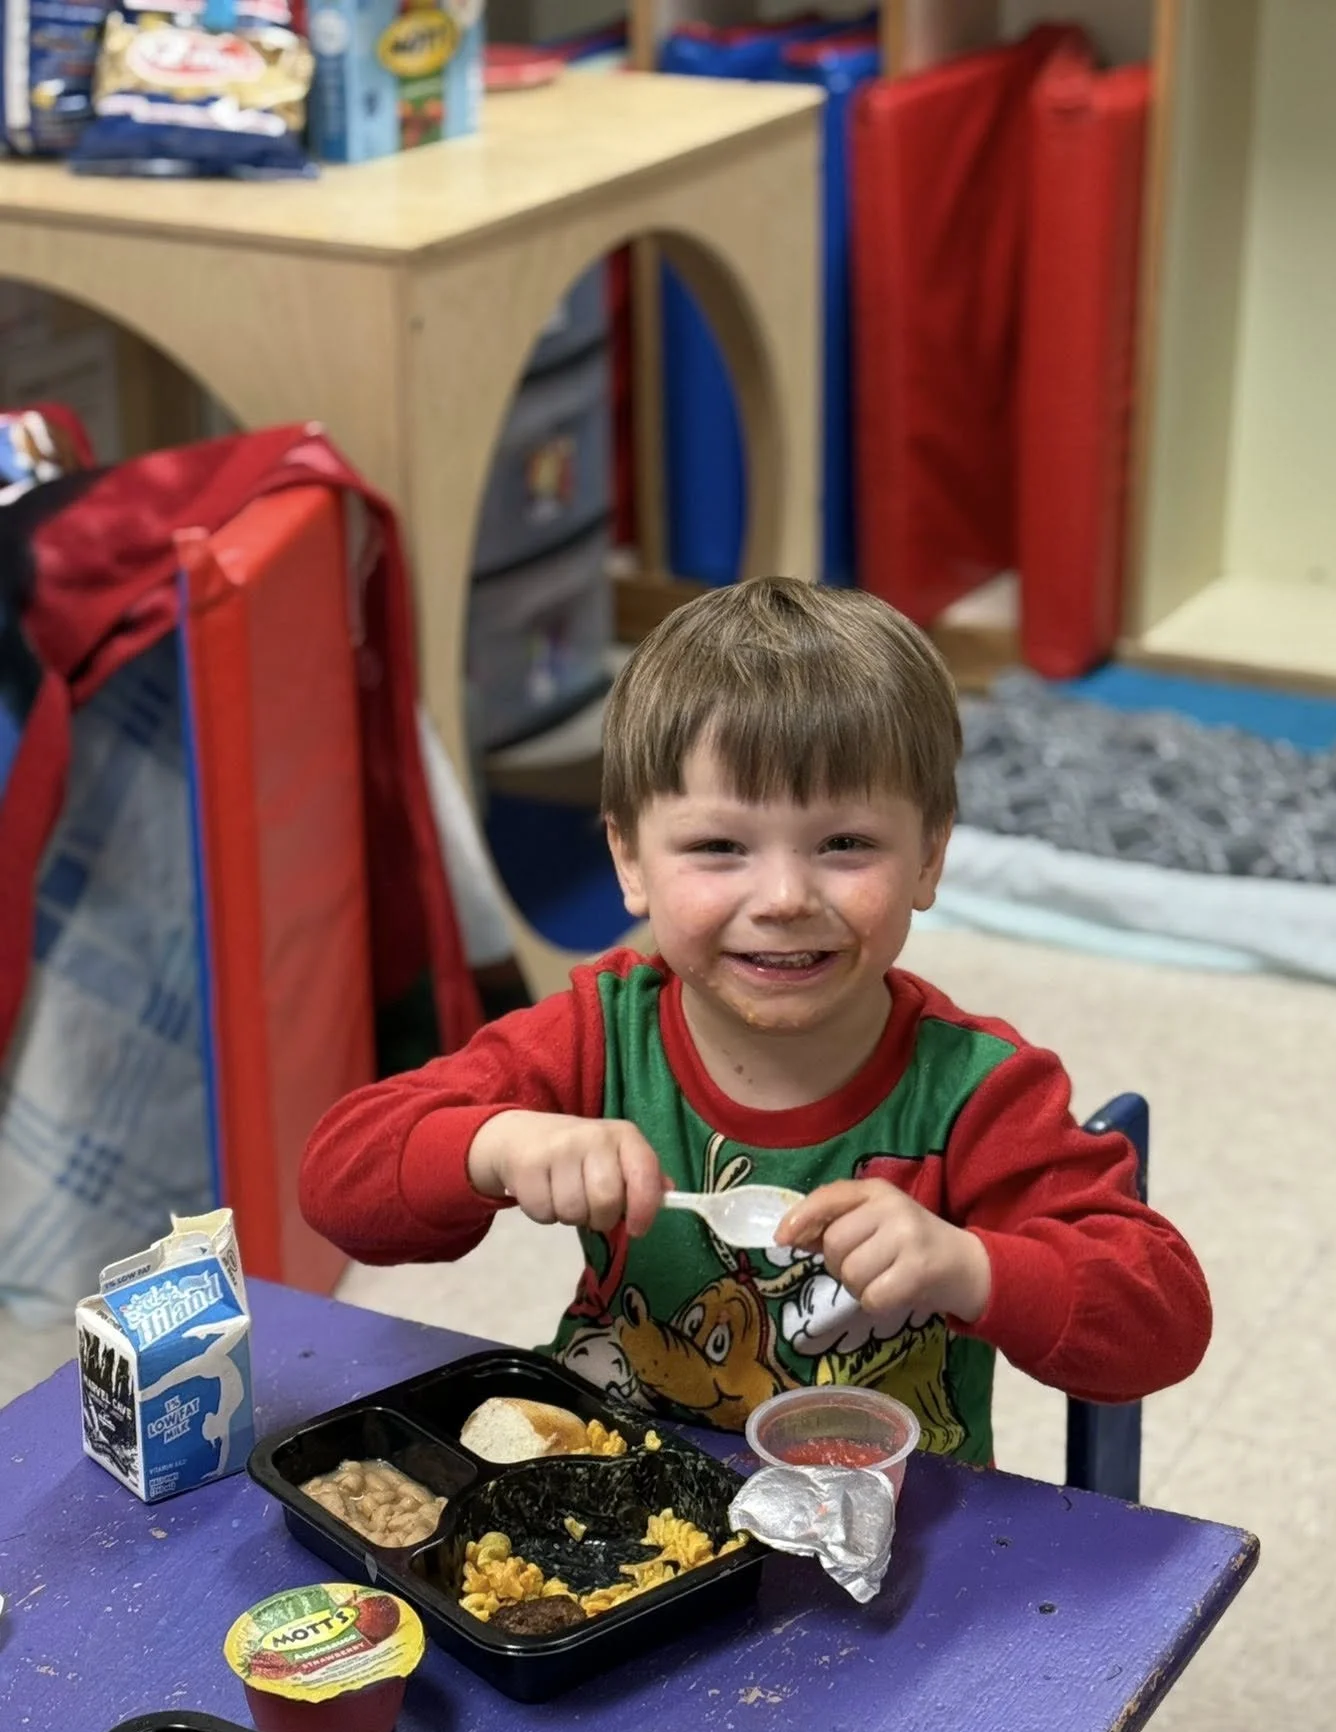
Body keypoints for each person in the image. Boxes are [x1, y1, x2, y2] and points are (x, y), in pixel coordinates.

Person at [299, 579, 1209, 1465]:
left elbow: (1161, 1327)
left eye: (845, 844)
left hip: (877, 1520)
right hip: (615, 1482)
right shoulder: (596, 1034)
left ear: (930, 857)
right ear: (631, 861)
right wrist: (495, 1146)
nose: (783, 898)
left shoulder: (980, 1091)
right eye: (718, 846)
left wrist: (969, 1267)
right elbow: (340, 1182)